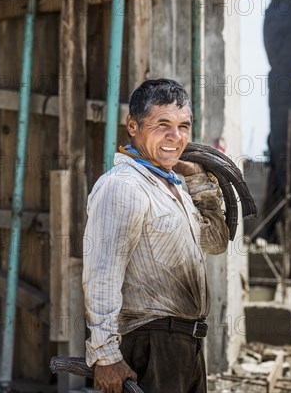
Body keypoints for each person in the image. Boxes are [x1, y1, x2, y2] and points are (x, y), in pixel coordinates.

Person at [82, 79, 229, 393]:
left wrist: (198, 179)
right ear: (133, 126)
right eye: (163, 125)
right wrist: (106, 355)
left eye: (183, 126)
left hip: (186, 344)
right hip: (150, 341)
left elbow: (216, 242)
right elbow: (102, 273)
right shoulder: (123, 186)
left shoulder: (172, 186)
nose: (175, 137)